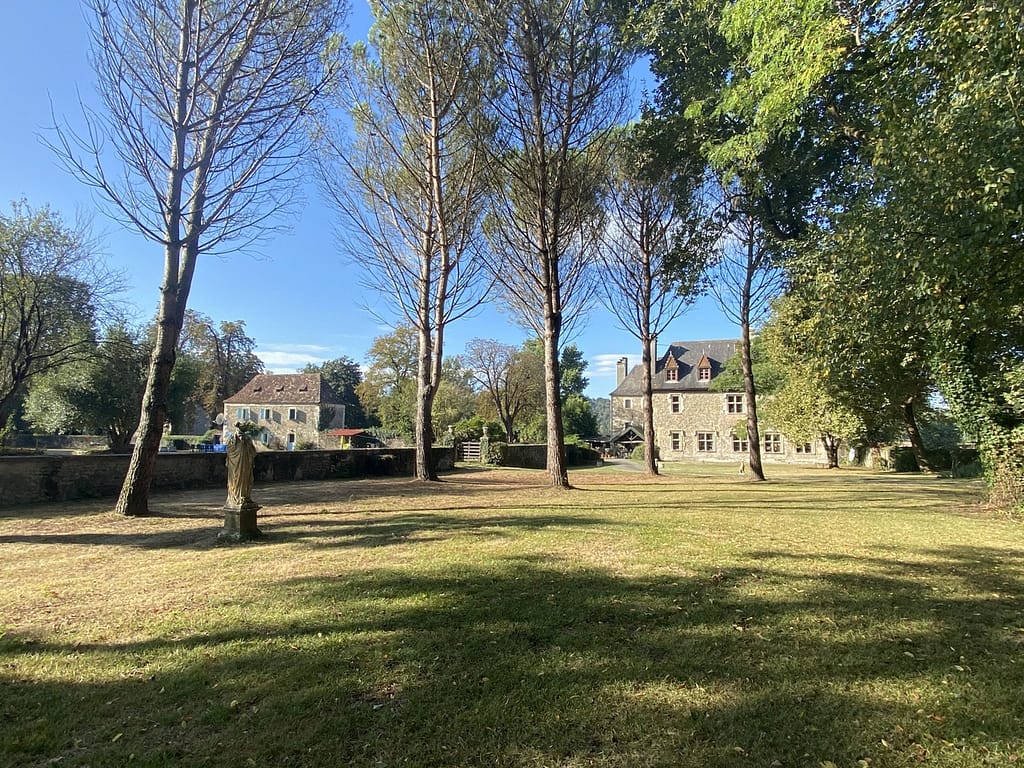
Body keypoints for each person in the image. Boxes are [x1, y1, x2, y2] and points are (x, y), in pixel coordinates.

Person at [226, 426, 257, 506]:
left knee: (246, 480)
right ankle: (237, 497)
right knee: (235, 481)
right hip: (235, 466)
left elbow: (253, 452)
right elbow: (229, 451)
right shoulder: (233, 439)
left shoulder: (247, 439)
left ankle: (245, 496)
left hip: (246, 465)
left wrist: (247, 446)